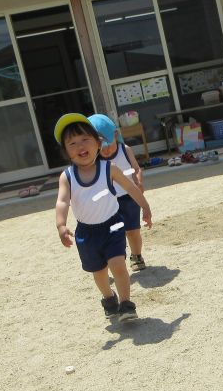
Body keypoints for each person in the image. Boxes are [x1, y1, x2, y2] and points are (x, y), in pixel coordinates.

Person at [54, 113, 153, 322]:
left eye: (85, 139)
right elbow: (62, 202)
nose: (80, 146)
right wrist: (61, 225)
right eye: (72, 143)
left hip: (113, 226)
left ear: (98, 143)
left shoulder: (109, 169)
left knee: (118, 265)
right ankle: (109, 298)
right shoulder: (67, 177)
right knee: (98, 272)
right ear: (66, 151)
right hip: (86, 233)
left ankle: (126, 304)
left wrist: (145, 206)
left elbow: (130, 188)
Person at [94, 113, 148, 272]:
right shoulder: (95, 159)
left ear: (116, 136)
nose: (105, 150)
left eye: (108, 145)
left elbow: (137, 169)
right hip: (109, 202)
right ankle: (113, 260)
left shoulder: (125, 150)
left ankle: (137, 255)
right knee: (113, 234)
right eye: (100, 148)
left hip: (129, 198)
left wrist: (139, 181)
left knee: (133, 231)